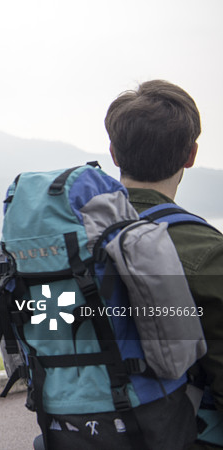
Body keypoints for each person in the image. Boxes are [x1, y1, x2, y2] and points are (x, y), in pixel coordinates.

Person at [105, 79, 223, 449]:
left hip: (82, 431)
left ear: (113, 153)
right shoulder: (205, 248)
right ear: (191, 154)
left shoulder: (72, 238)